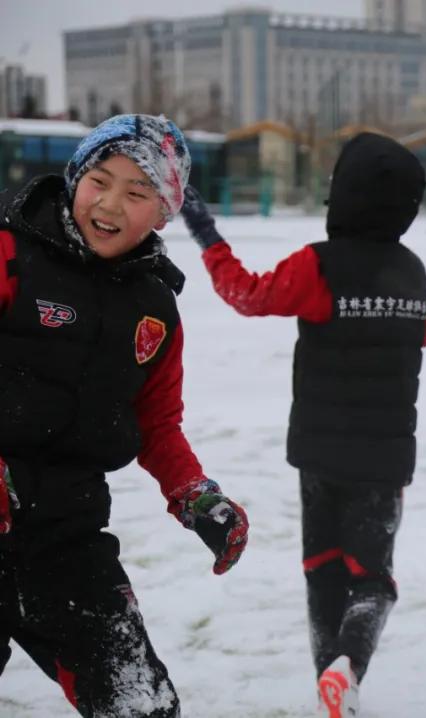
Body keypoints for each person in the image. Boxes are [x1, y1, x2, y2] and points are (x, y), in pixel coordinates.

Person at [179, 131, 426, 718]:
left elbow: (245, 294)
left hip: (319, 454)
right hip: (384, 458)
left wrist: (205, 232)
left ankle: (329, 682)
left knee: (321, 571)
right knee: (372, 580)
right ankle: (347, 670)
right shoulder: (414, 272)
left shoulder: (317, 265)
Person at [0, 114, 249, 717]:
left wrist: (195, 495)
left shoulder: (155, 309)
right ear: (75, 178)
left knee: (142, 708)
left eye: (138, 192)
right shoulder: (10, 253)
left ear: (165, 212)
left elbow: (157, 421)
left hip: (66, 537)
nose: (110, 203)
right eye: (100, 180)